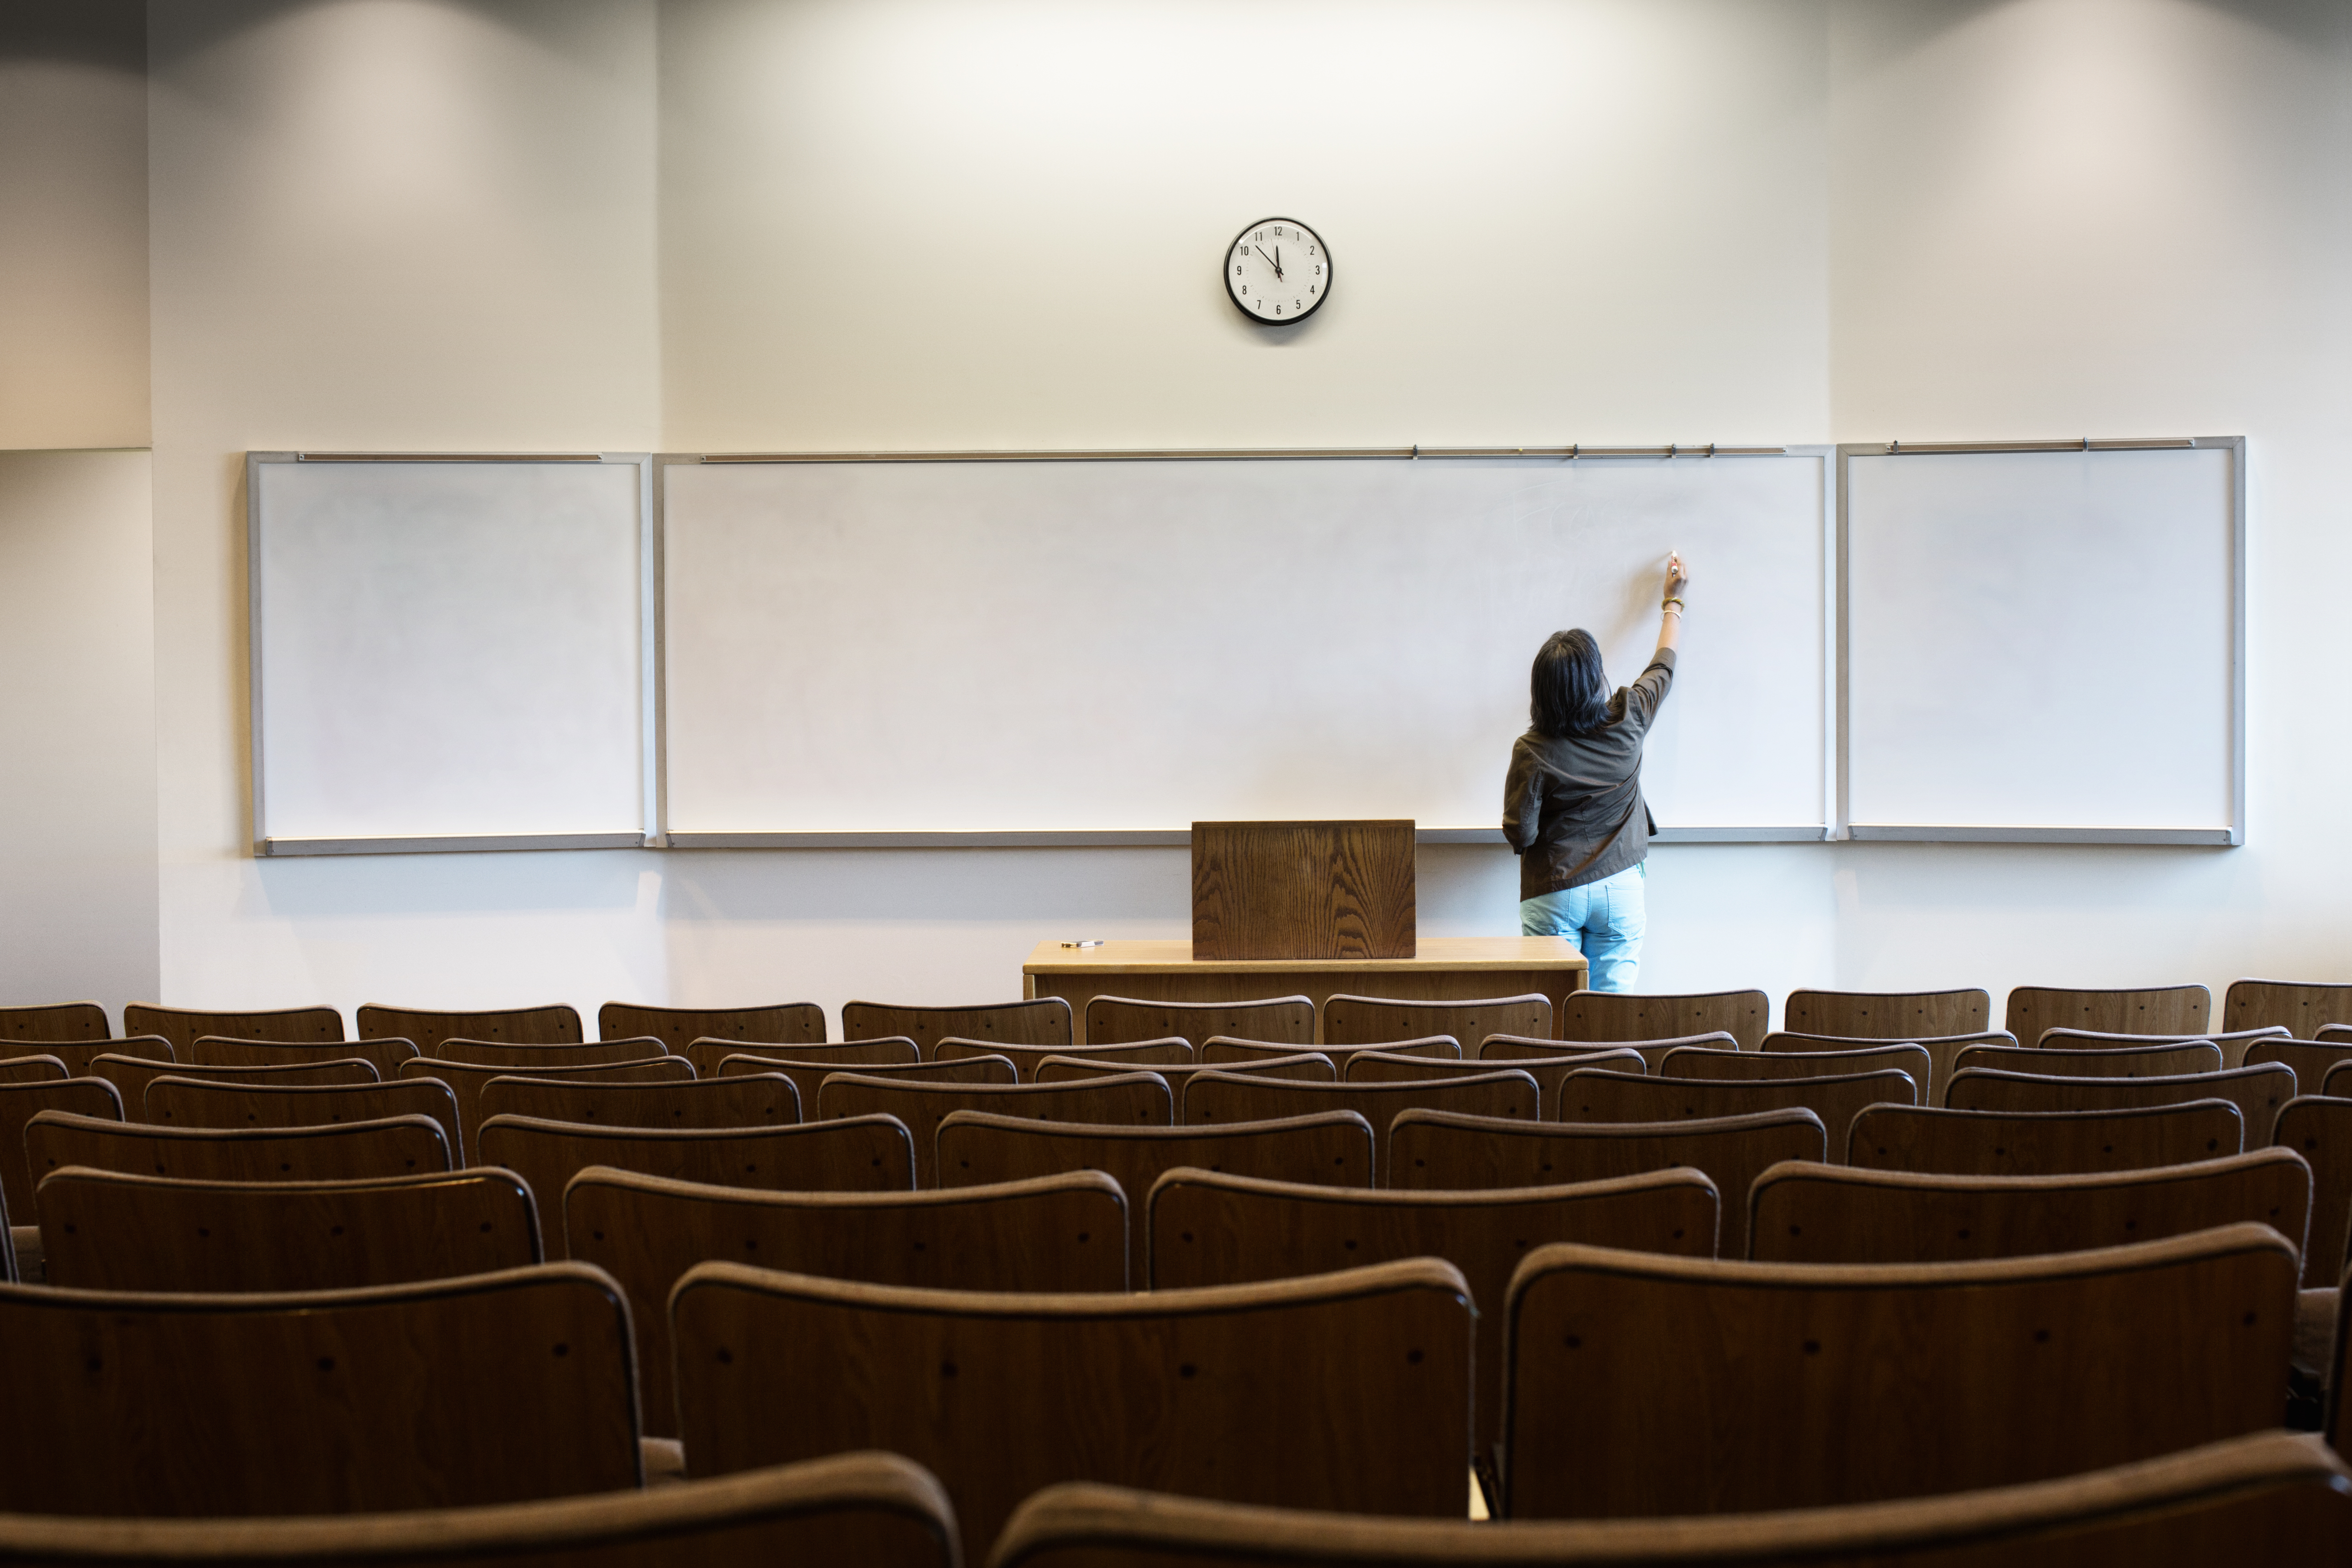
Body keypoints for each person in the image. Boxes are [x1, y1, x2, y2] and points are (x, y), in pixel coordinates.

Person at [1502, 553, 1687, 992]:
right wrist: (1672, 604)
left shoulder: (1531, 749)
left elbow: (1520, 834)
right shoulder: (1631, 715)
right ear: (1595, 679)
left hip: (1554, 889)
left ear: (1540, 691)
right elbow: (1663, 666)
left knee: (1555, 1012)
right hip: (1621, 888)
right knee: (1610, 1018)